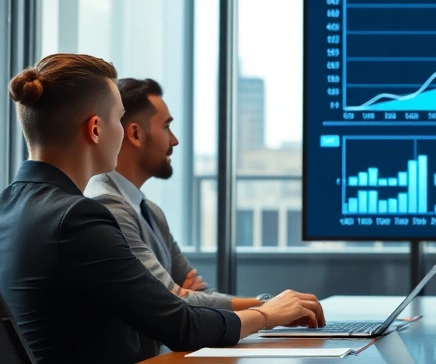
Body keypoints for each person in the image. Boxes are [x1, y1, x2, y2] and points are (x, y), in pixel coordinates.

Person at [0, 54, 325, 364]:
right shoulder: (77, 219)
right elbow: (181, 325)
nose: (122, 131)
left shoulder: (9, 208)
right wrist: (268, 314)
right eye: (117, 118)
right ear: (96, 128)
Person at [83, 78, 276, 356]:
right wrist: (266, 308)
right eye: (166, 126)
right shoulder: (105, 204)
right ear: (135, 135)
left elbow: (196, 294)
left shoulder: (151, 211)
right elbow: (175, 297)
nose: (174, 140)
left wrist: (189, 297)